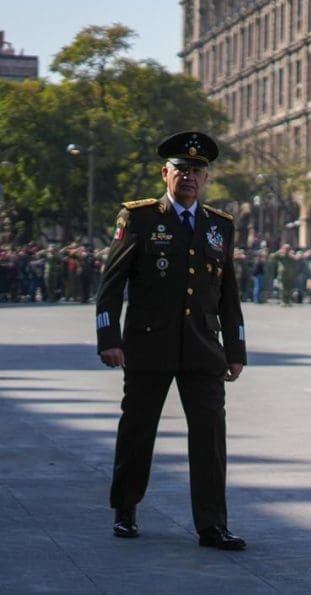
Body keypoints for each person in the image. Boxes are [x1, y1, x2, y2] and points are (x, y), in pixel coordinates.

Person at [95, 131, 247, 551]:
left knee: (210, 439)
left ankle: (212, 525)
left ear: (206, 177)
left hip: (203, 348)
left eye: (197, 170)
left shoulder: (220, 226)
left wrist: (235, 350)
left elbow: (228, 293)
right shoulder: (139, 218)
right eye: (182, 169)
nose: (190, 177)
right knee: (138, 431)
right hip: (149, 345)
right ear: (166, 173)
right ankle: (125, 508)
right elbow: (111, 286)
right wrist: (109, 337)